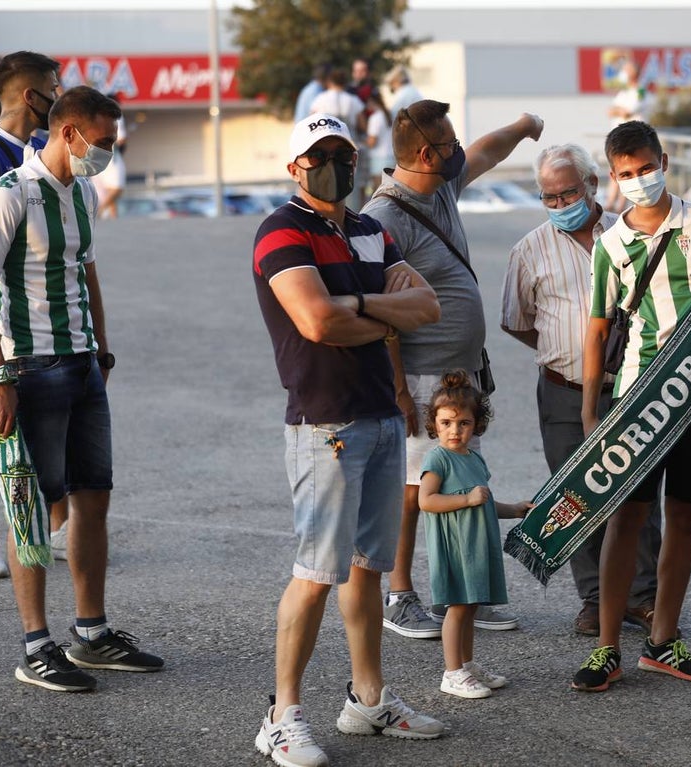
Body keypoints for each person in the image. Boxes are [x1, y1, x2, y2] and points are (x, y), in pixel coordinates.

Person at [252, 113, 444, 767]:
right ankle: (281, 715)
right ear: (295, 167)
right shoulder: (282, 230)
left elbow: (428, 307)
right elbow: (314, 321)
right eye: (319, 154)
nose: (332, 163)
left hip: (383, 417)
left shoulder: (368, 230)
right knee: (314, 573)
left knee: (368, 567)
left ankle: (369, 701)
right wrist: (373, 310)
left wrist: (355, 309)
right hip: (324, 422)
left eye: (342, 152)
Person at [0, 85, 164, 693]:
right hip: (30, 370)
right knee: (28, 507)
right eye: (101, 142)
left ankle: (92, 633)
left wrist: (101, 350)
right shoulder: (8, 196)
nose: (106, 153)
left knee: (92, 499)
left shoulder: (83, 192)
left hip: (81, 367)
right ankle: (35, 644)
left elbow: (88, 274)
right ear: (69, 133)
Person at [571, 119, 691, 692]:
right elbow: (597, 327)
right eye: (627, 174)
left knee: (685, 516)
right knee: (624, 520)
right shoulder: (610, 244)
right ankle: (607, 647)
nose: (639, 181)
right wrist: (591, 411)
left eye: (646, 168)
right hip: (639, 395)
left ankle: (662, 639)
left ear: (664, 161)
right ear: (612, 177)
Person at [361, 99, 543, 640]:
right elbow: (381, 312)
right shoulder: (383, 218)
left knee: (461, 478)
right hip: (419, 380)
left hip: (460, 376)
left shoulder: (440, 184)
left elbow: (484, 152)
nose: (458, 152)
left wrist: (523, 126)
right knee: (416, 489)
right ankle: (399, 594)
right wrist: (396, 386)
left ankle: (461, 596)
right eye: (448, 145)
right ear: (422, 153)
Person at [501, 143, 662, 637]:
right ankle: (594, 598)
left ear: (592, 186)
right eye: (548, 197)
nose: (558, 204)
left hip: (633, 385)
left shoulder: (634, 231)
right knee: (575, 494)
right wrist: (563, 350)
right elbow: (517, 322)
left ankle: (643, 597)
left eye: (567, 193)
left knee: (638, 495)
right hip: (563, 390)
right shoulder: (529, 249)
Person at [0, 50, 65, 579]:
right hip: (3, 312)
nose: (58, 96)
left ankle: (58, 524)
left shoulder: (44, 150)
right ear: (30, 96)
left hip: (50, 309)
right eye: (53, 87)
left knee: (59, 409)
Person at [417, 370, 531, 699]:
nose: (455, 431)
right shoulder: (437, 458)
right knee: (458, 608)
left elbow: (485, 502)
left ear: (476, 424)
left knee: (470, 607)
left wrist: (514, 509)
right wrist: (466, 499)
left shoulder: (472, 457)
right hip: (455, 547)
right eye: (447, 423)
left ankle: (466, 665)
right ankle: (452, 673)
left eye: (464, 423)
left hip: (475, 545)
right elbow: (426, 501)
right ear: (434, 424)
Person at [604, 60, 650, 213]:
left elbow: (628, 111)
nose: (623, 72)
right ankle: (610, 203)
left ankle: (620, 206)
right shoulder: (623, 93)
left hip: (633, 138)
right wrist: (618, 110)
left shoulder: (640, 91)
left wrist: (619, 110)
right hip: (617, 138)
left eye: (626, 69)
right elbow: (611, 111)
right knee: (615, 169)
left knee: (628, 170)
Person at [94, 100, 127, 219]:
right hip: (110, 155)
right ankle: (99, 213)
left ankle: (112, 217)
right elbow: (121, 139)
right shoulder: (114, 114)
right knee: (116, 188)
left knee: (105, 190)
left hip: (94, 155)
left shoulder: (92, 114)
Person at [363, 91, 393, 196]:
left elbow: (372, 142)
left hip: (378, 159)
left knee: (378, 191)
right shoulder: (390, 114)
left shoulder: (375, 118)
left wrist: (362, 143)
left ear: (372, 102)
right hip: (391, 157)